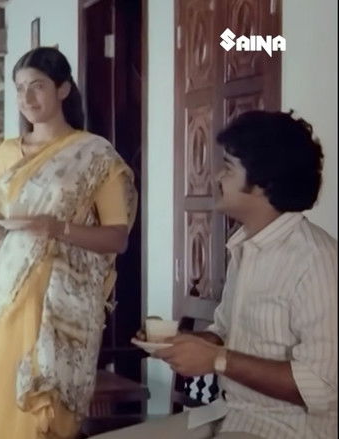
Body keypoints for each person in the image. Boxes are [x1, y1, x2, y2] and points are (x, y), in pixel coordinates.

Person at [93, 111, 337, 439]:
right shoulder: (245, 246)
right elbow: (224, 333)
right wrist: (180, 343)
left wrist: (218, 360)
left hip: (285, 429)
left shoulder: (316, 260)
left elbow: (322, 387)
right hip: (228, 414)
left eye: (228, 168)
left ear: (263, 183)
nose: (216, 176)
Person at [0, 47, 138, 439]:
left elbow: (117, 238)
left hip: (64, 300)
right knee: (3, 401)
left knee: (44, 406)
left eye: (38, 86)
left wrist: (57, 228)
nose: (27, 98)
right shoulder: (6, 153)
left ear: (63, 89)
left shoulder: (94, 153)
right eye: (19, 89)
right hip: (9, 296)